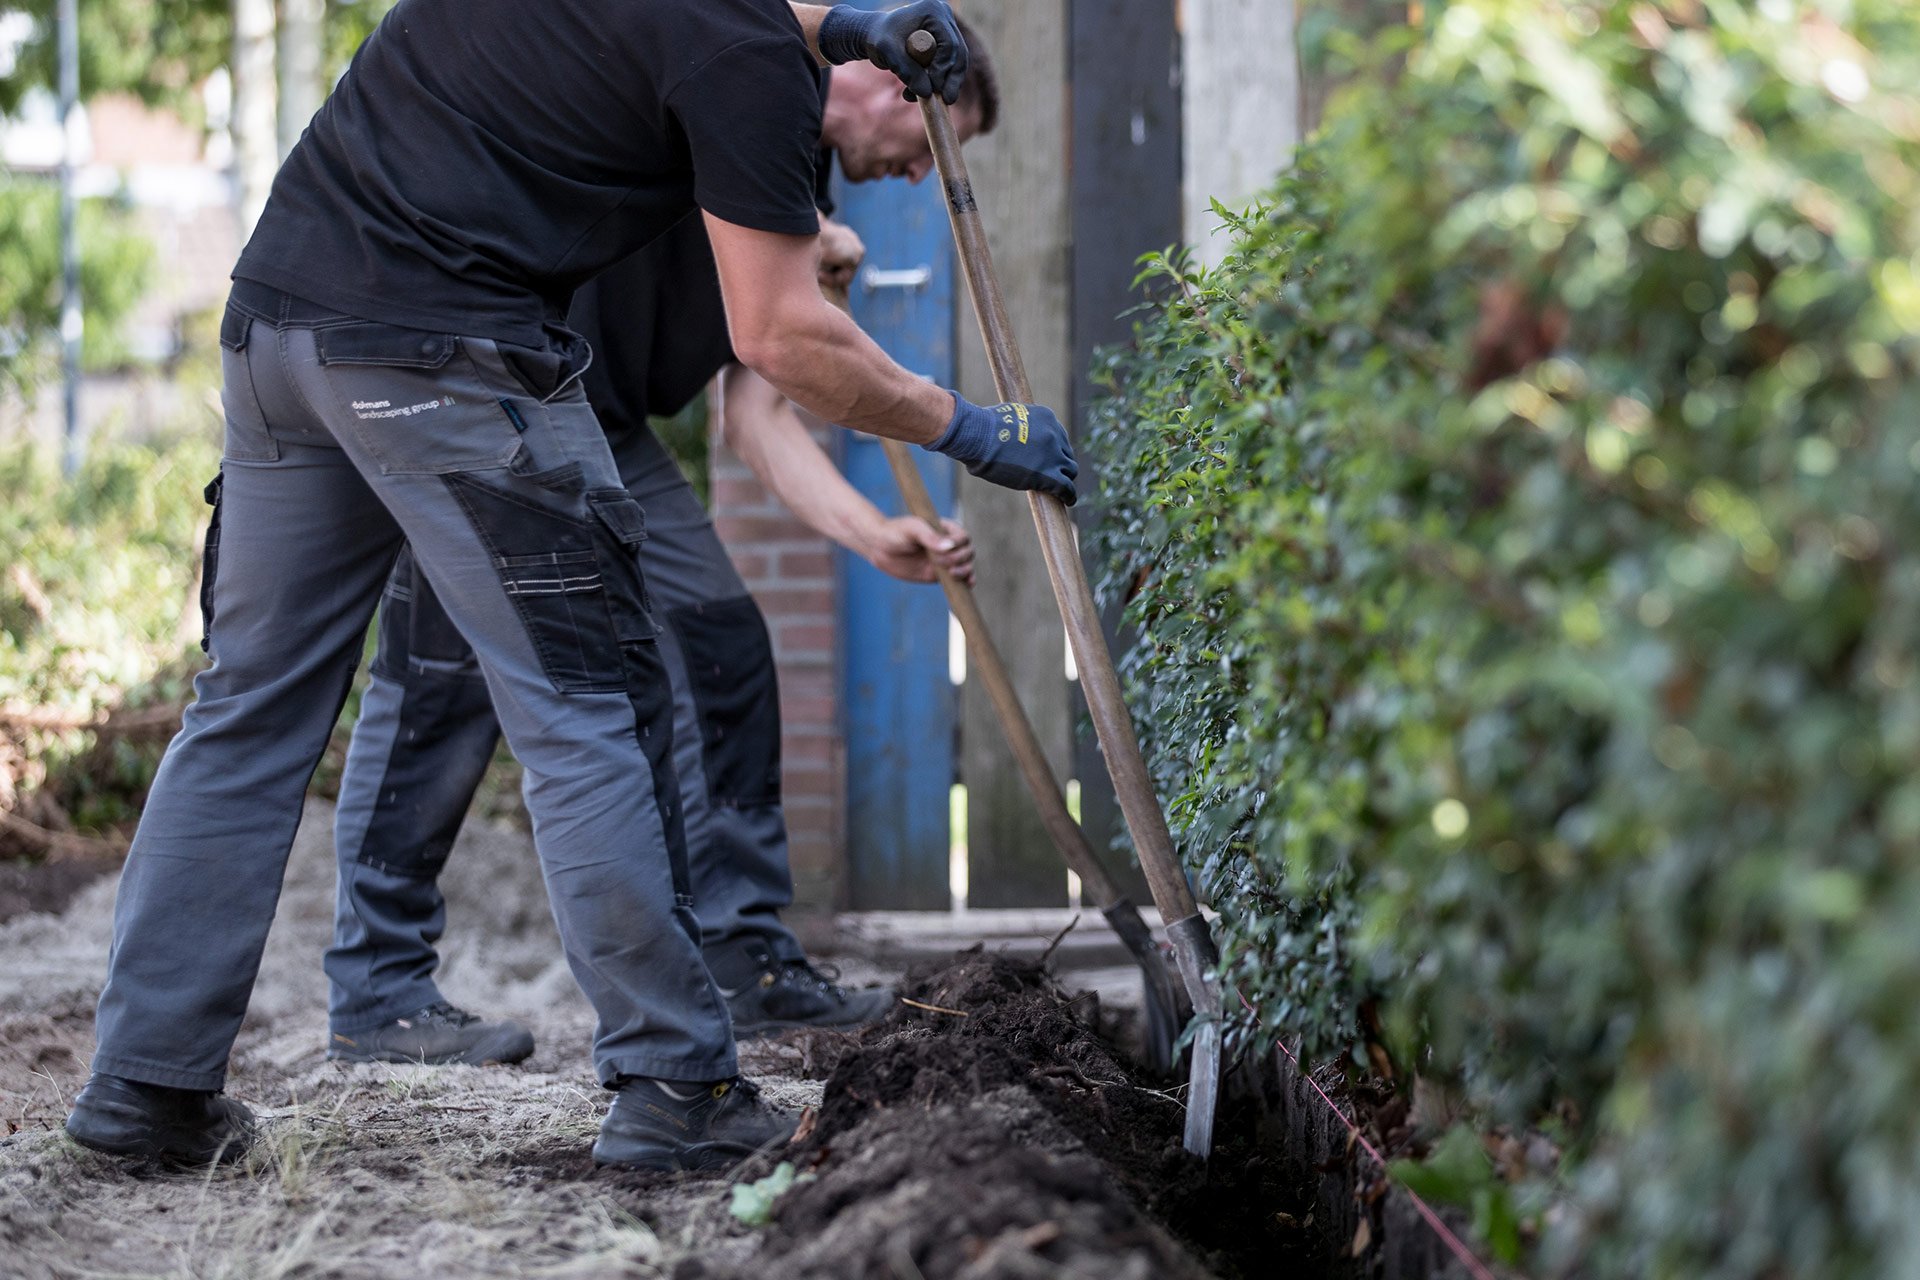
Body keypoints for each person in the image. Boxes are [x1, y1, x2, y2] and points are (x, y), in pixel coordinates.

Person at [64, 0, 1075, 1174]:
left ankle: (143, 1088)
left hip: (278, 330)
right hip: (444, 354)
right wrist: (969, 427)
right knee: (594, 705)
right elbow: (781, 335)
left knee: (244, 707)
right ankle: (674, 1082)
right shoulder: (746, 52)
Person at [325, 43, 1000, 1066]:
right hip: (492, 389)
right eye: (931, 149)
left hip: (602, 422)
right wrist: (798, 249)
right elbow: (644, 121)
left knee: (722, 637)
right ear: (894, 85)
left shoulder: (799, 176)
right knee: (441, 674)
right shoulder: (732, 70)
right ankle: (376, 986)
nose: (917, 177)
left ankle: (744, 952)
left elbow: (759, 415)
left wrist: (874, 535)